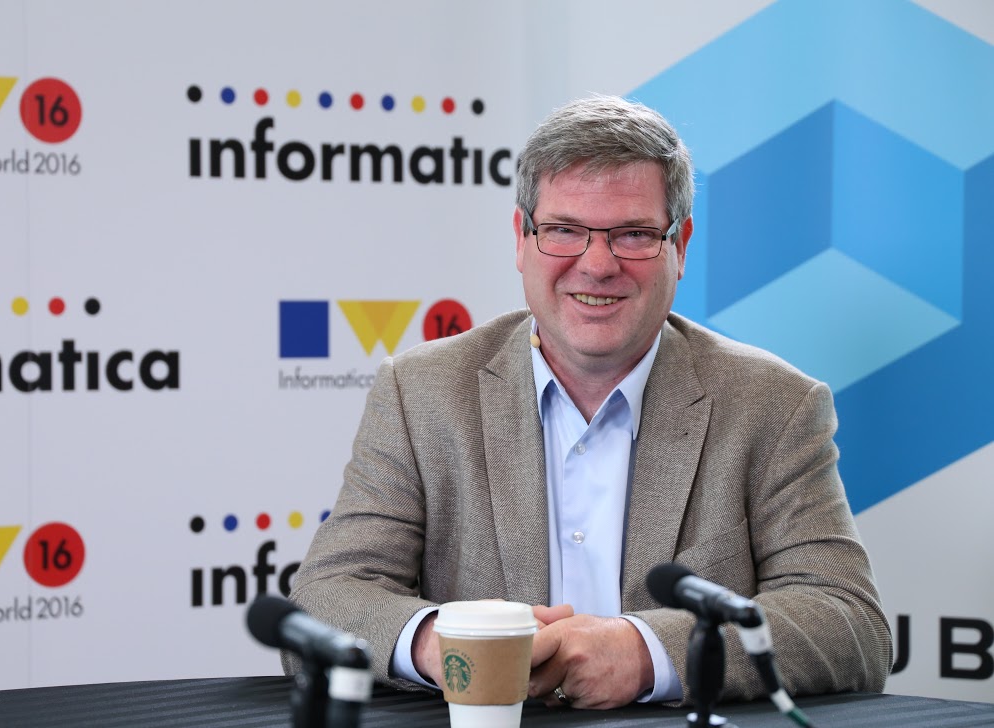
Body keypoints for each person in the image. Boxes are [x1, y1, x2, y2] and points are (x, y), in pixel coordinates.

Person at [285, 95, 892, 708]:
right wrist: (443, 644)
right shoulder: (422, 392)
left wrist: (645, 653)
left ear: (680, 246)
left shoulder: (775, 405)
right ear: (522, 239)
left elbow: (849, 624)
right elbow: (324, 597)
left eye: (633, 234)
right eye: (564, 231)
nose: (597, 264)